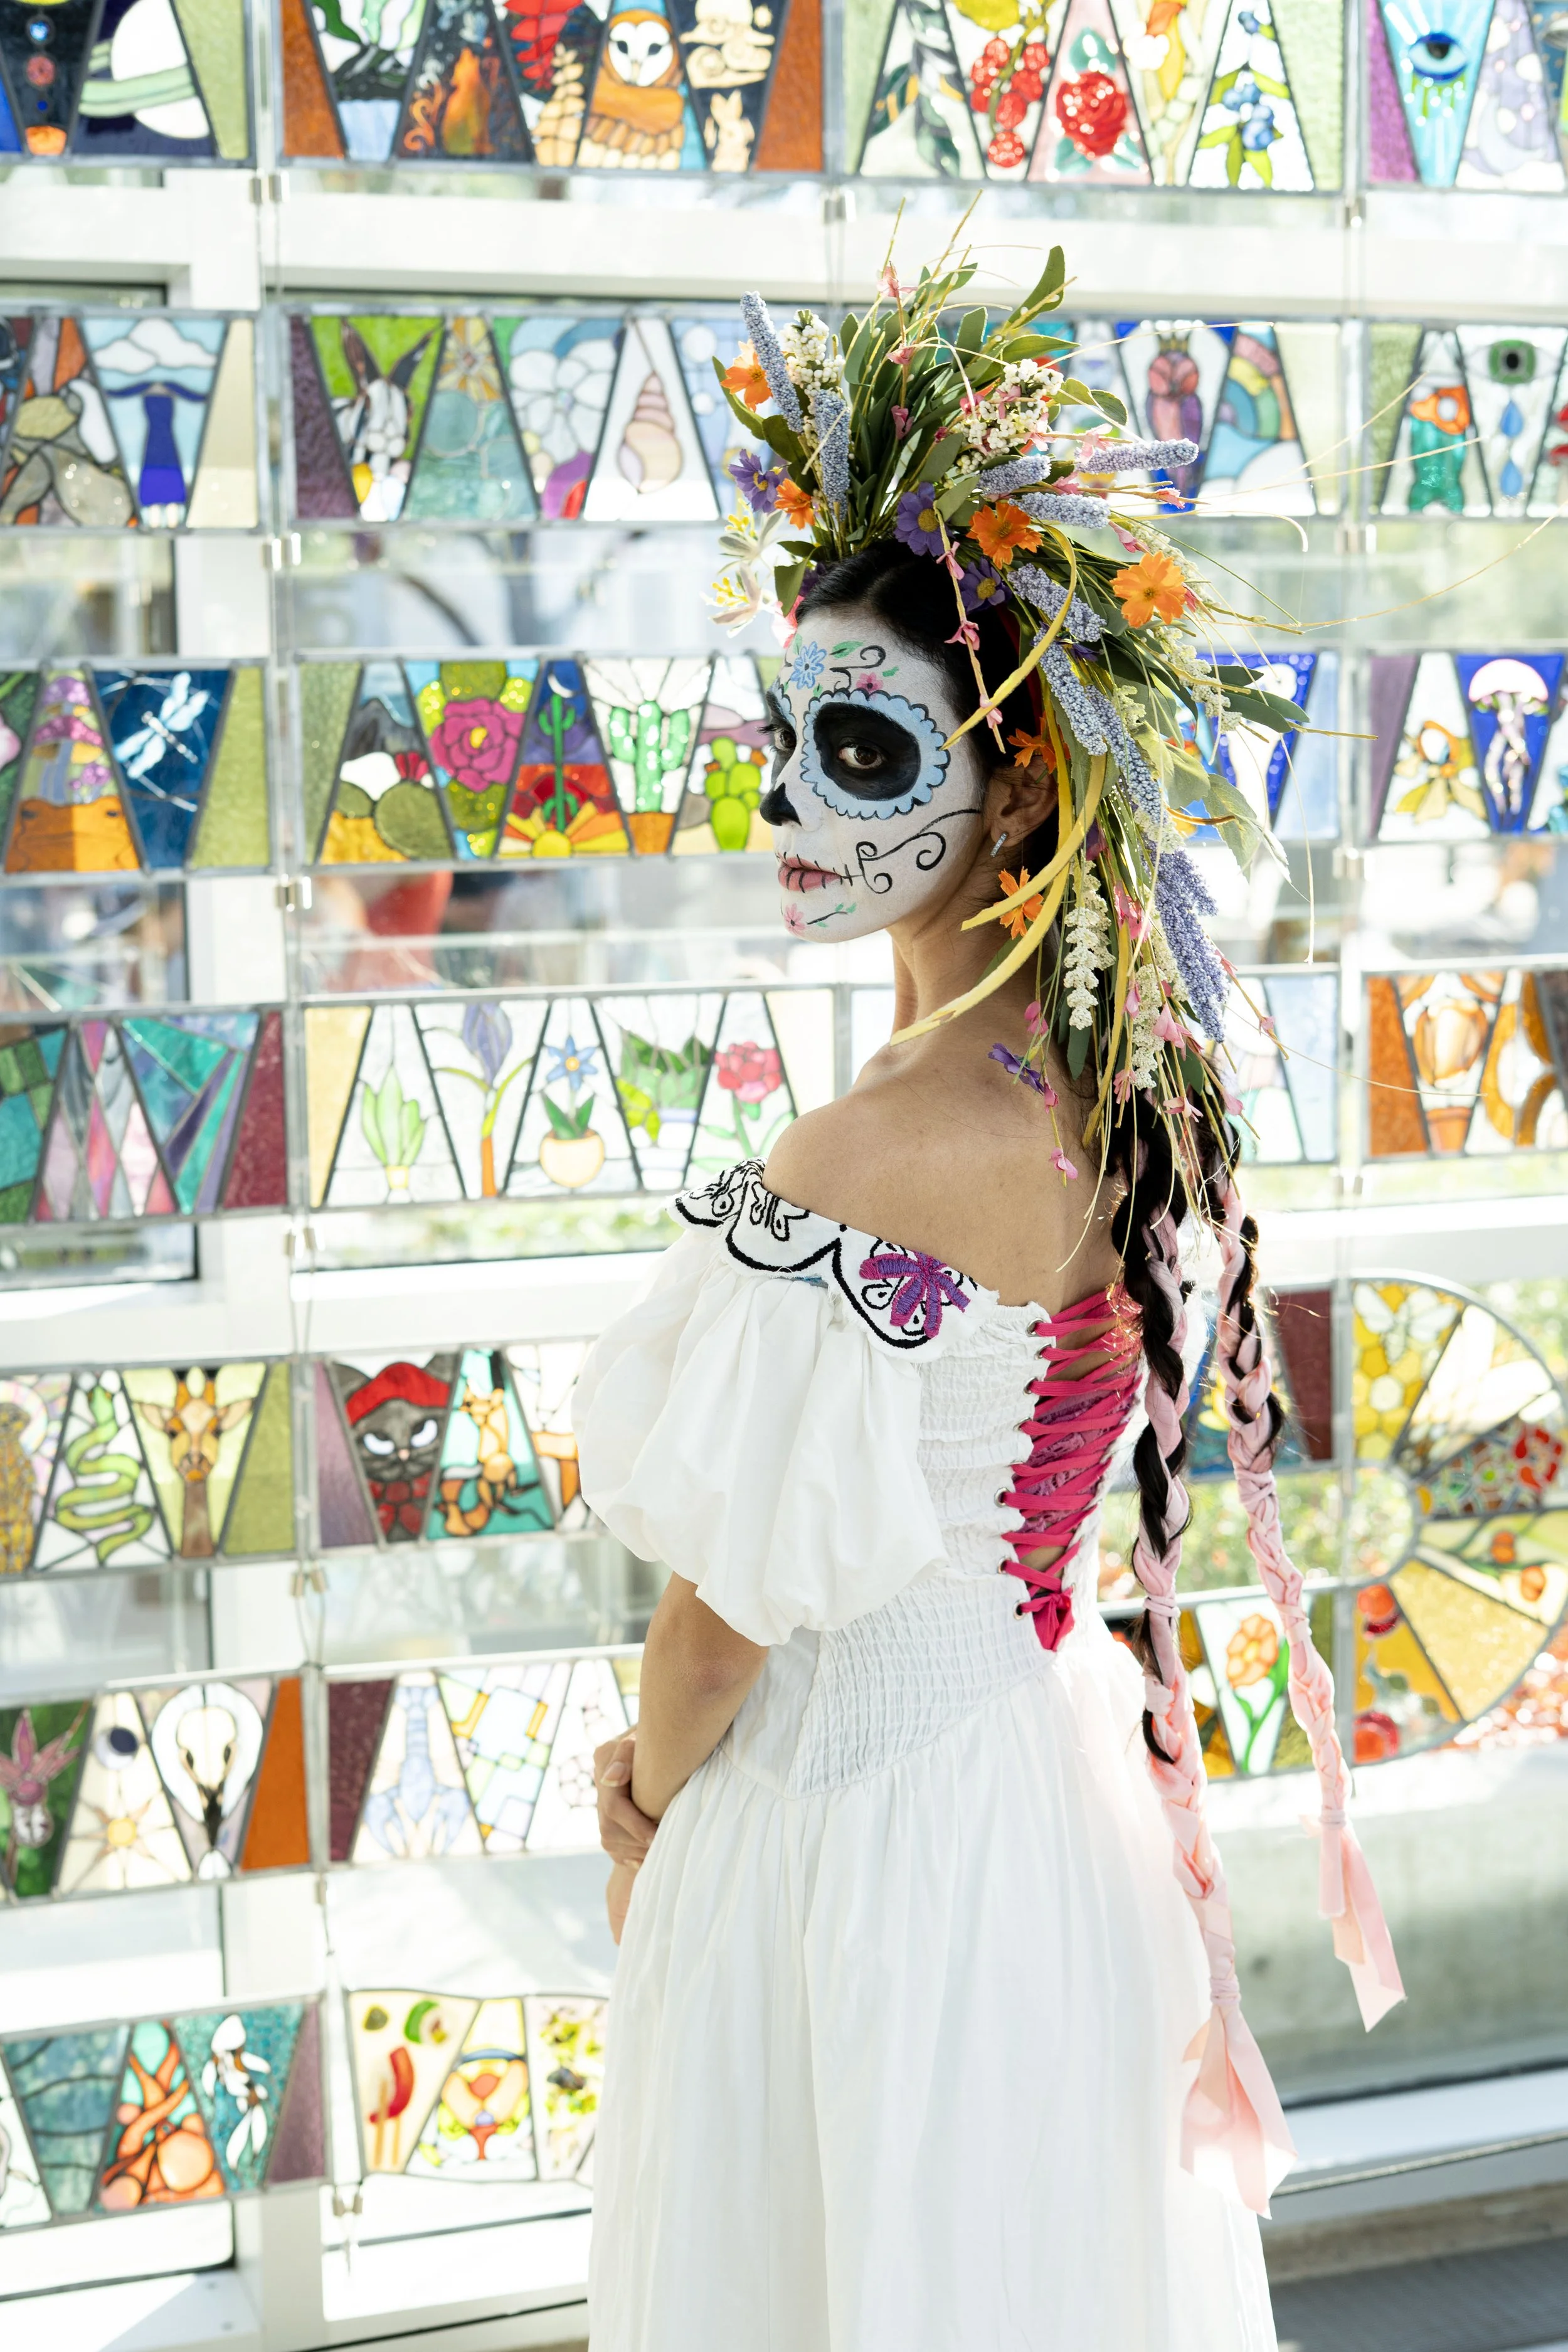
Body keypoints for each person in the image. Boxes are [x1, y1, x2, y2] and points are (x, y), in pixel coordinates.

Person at [573, 255, 1402, 2351]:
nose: (787, 806)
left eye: (860, 745)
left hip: (854, 1857)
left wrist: (648, 1808)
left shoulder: (851, 1171)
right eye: (781, 737)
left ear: (1022, 783)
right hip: (1043, 1815)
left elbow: (724, 1618)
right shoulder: (1131, 1085)